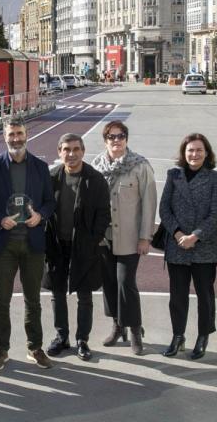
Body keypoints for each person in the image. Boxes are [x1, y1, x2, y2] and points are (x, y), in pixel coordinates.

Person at [0, 117, 57, 371]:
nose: (16, 139)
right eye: (11, 134)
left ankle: (35, 347)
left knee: (33, 299)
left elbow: (49, 201)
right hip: (4, 245)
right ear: (5, 136)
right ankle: (1, 350)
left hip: (33, 244)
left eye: (19, 134)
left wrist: (40, 216)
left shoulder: (41, 167)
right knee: (2, 300)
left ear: (26, 134)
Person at [90, 120, 156, 355]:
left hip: (129, 237)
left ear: (126, 139)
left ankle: (136, 330)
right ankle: (118, 326)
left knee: (125, 283)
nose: (116, 141)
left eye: (120, 136)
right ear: (105, 140)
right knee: (109, 284)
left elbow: (149, 204)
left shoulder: (140, 166)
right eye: (111, 137)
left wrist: (145, 237)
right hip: (104, 238)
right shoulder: (96, 166)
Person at [158, 134, 217, 362]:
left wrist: (194, 236)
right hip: (177, 245)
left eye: (199, 150)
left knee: (205, 295)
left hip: (204, 246)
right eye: (190, 151)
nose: (194, 154)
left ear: (207, 153)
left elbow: (216, 214)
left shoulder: (215, 178)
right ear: (183, 153)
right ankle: (178, 335)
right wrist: (178, 234)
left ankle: (203, 336)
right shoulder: (173, 175)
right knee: (177, 296)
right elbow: (164, 209)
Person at [44, 133, 110, 361]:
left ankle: (83, 339)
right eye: (66, 149)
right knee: (57, 293)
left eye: (75, 149)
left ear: (83, 151)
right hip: (56, 246)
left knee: (84, 295)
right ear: (59, 152)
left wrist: (92, 240)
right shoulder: (51, 177)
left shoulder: (96, 179)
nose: (71, 154)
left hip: (84, 246)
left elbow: (104, 214)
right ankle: (61, 336)